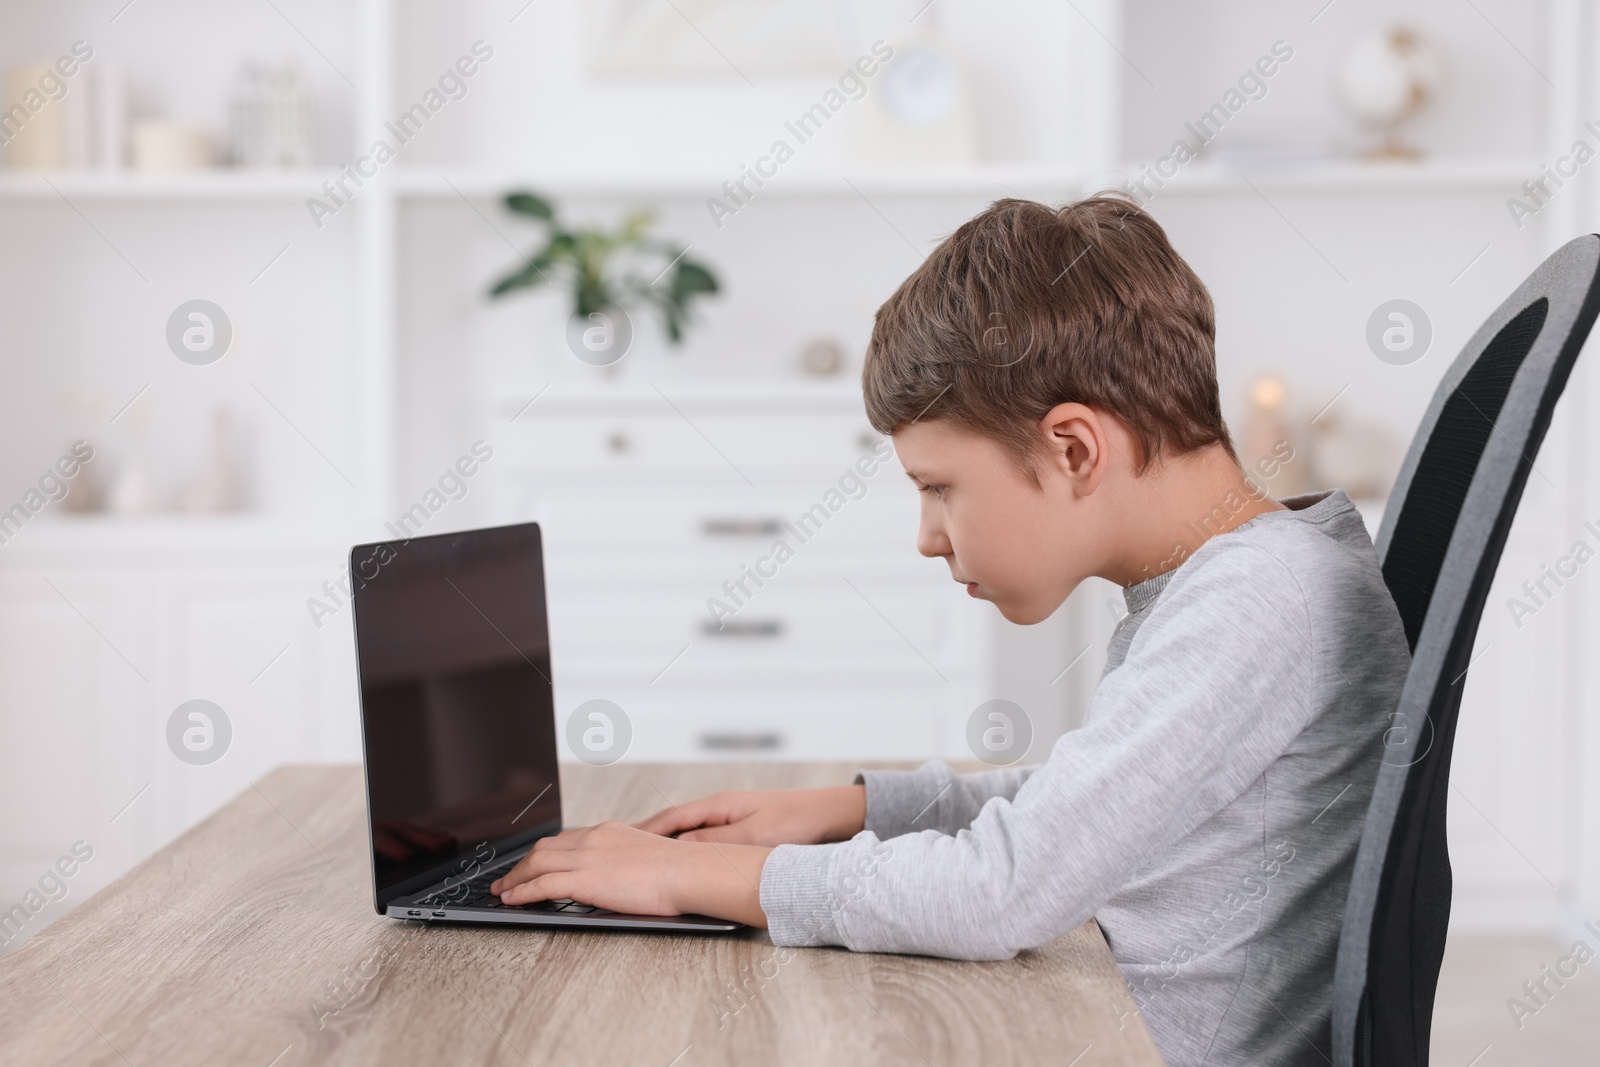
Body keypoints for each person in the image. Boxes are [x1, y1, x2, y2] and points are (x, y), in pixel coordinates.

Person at [491, 195, 1411, 1067]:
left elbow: (1000, 890)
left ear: (1073, 449)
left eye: (939, 488)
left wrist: (687, 880)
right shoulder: (1252, 578)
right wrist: (855, 810)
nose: (928, 537)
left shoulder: (1257, 600)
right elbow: (1084, 801)